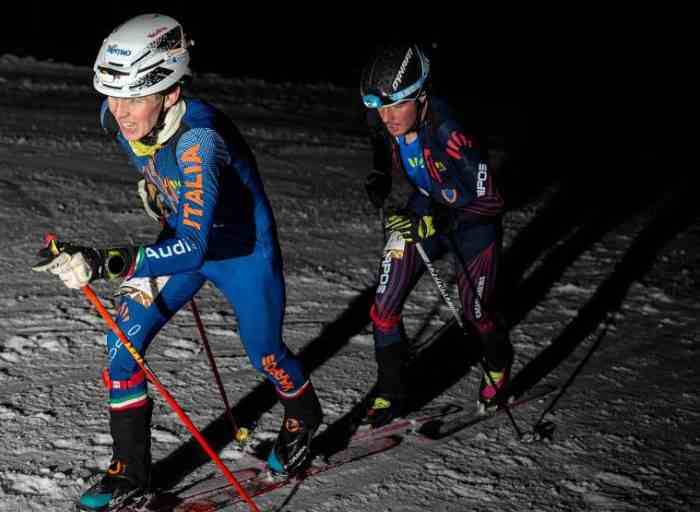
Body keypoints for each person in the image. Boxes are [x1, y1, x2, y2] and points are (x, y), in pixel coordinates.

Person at [32, 13, 322, 510]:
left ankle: (303, 416)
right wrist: (155, 187)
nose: (118, 111)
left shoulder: (200, 142)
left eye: (133, 98)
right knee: (121, 340)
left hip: (240, 253)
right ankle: (130, 474)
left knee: (265, 354)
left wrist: (104, 262)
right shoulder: (118, 116)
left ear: (169, 93)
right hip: (187, 236)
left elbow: (193, 248)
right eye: (112, 95)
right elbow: (152, 163)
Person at [358, 43, 513, 428]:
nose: (387, 117)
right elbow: (379, 136)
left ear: (422, 97)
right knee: (383, 306)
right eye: (380, 107)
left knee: (476, 313)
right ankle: (391, 391)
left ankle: (498, 362)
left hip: (471, 223)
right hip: (427, 208)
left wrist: (436, 224)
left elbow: (492, 202)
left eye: (397, 106)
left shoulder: (450, 132)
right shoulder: (384, 115)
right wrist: (380, 172)